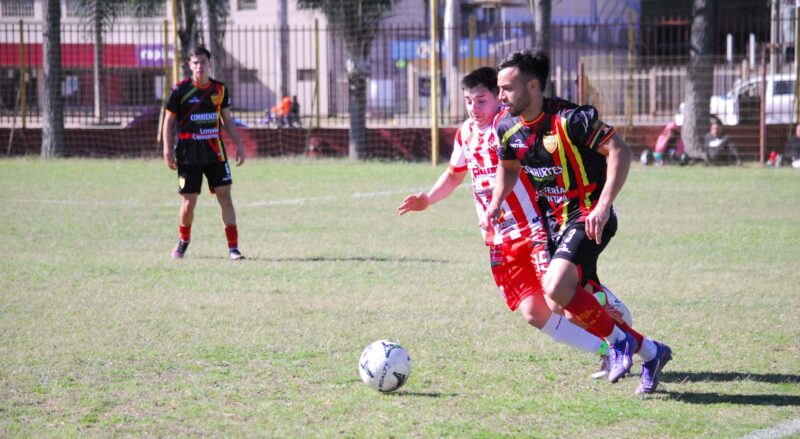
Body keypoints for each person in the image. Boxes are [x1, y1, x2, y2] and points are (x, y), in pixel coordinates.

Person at [397, 67, 633, 380]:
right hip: (498, 239)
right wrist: (427, 199)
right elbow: (455, 174)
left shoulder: (509, 127)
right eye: (468, 101)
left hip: (535, 228)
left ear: (499, 99)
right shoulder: (465, 133)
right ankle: (606, 350)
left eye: (481, 100)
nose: (473, 108)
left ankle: (610, 311)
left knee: (559, 300)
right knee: (535, 313)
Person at [486, 50, 672, 394]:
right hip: (553, 225)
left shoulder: (571, 120)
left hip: (588, 217)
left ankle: (618, 343)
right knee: (564, 307)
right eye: (499, 89)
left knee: (556, 287)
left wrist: (604, 205)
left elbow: (620, 151)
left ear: (533, 86)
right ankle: (651, 352)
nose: (500, 96)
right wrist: (497, 200)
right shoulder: (506, 127)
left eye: (507, 88)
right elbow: (508, 168)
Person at [162, 46, 246, 260]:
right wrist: (167, 150)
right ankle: (183, 241)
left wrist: (239, 144)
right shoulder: (180, 90)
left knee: (225, 198)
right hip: (188, 155)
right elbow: (169, 120)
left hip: (215, 153)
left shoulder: (219, 89)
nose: (200, 66)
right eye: (195, 62)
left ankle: (233, 249)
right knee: (189, 203)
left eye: (203, 62)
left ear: (210, 64)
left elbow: (227, 120)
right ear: (189, 65)